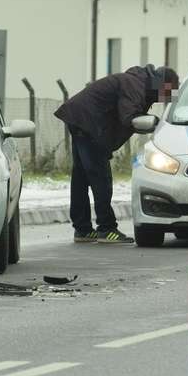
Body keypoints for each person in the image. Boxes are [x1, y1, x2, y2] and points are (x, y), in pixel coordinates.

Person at [55, 64, 179, 244]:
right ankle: (107, 228)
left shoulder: (139, 83)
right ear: (162, 84)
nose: (167, 98)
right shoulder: (135, 86)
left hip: (80, 119)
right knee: (101, 178)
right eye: (169, 92)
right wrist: (155, 124)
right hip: (90, 124)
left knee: (81, 178)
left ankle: (82, 229)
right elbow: (129, 117)